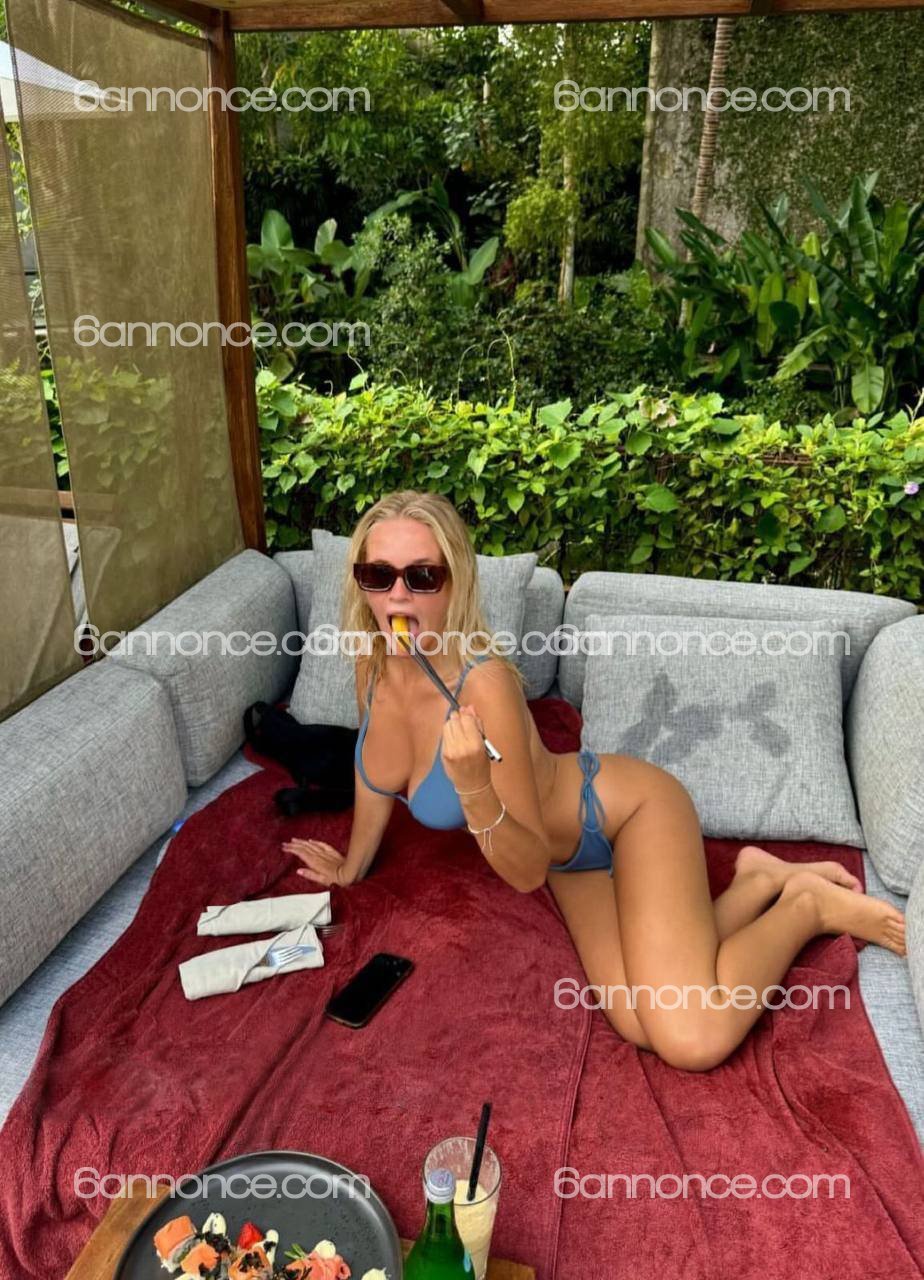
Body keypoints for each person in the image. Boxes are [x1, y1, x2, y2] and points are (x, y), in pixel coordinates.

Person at [282, 490, 906, 1071]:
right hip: (570, 862)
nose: (397, 596)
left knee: (692, 1039)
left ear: (456, 582)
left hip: (628, 814)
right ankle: (756, 880)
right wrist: (352, 867)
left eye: (421, 577)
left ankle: (807, 907)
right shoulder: (373, 665)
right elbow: (373, 773)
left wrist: (473, 786)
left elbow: (524, 869)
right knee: (639, 1021)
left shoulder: (485, 685)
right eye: (378, 575)